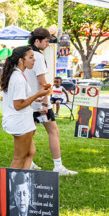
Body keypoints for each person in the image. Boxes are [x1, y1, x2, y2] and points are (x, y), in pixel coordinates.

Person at [24, 28, 77, 175]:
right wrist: (46, 103)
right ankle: (58, 166)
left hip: (27, 101)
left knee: (29, 133)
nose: (48, 44)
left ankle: (29, 162)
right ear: (37, 41)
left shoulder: (23, 54)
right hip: (39, 102)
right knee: (53, 131)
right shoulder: (38, 57)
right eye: (47, 41)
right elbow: (43, 82)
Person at [0, 46, 52, 169]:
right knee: (18, 159)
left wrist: (35, 97)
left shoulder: (16, 74)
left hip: (19, 120)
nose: (34, 60)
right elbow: (18, 105)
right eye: (31, 57)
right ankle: (11, 186)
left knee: (30, 152)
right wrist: (38, 94)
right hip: (19, 122)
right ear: (21, 60)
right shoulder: (18, 79)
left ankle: (22, 181)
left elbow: (20, 99)